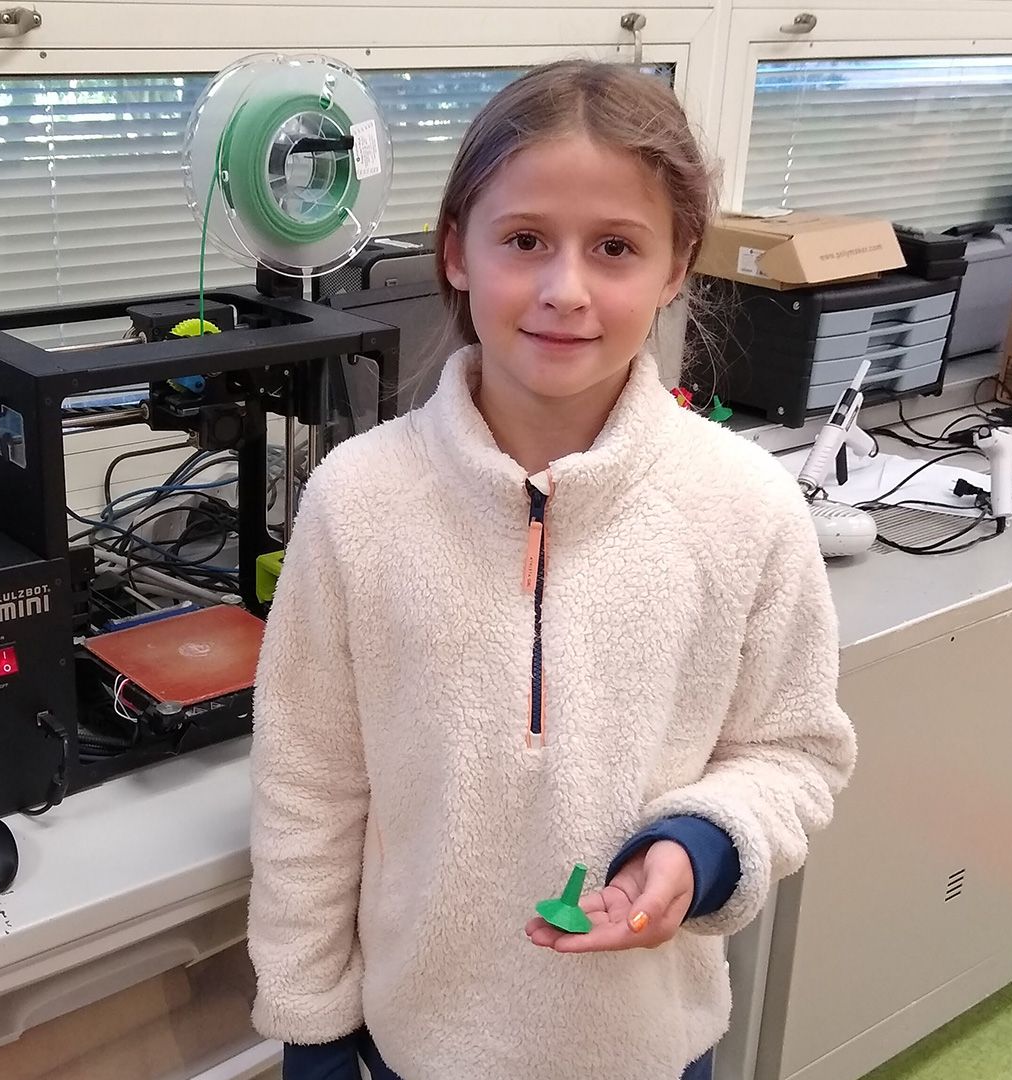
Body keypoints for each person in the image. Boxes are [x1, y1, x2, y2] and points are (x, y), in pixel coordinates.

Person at [247, 59, 857, 1079]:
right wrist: (310, 1024)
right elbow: (307, 787)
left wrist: (702, 848)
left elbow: (795, 753)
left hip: (647, 1052)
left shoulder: (745, 506)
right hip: (415, 1049)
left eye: (615, 248)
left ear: (675, 269)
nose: (565, 290)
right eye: (524, 240)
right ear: (457, 252)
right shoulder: (358, 502)